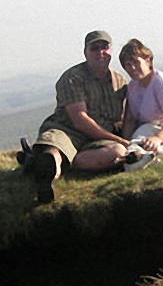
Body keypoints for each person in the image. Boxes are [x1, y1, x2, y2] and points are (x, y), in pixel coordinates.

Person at [20, 30, 129, 203]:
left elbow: (121, 118)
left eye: (104, 47)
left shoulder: (120, 81)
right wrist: (120, 139)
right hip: (68, 129)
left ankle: (41, 162)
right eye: (94, 48)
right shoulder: (72, 78)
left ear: (111, 50)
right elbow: (80, 120)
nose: (100, 52)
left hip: (98, 139)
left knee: (118, 152)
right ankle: (47, 176)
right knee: (55, 151)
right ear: (85, 52)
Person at [119, 39, 163, 153]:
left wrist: (158, 138)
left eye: (136, 62)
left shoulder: (160, 83)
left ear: (147, 60)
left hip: (161, 133)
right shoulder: (132, 87)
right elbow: (130, 119)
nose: (133, 68)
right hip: (142, 132)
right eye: (128, 65)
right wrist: (126, 142)